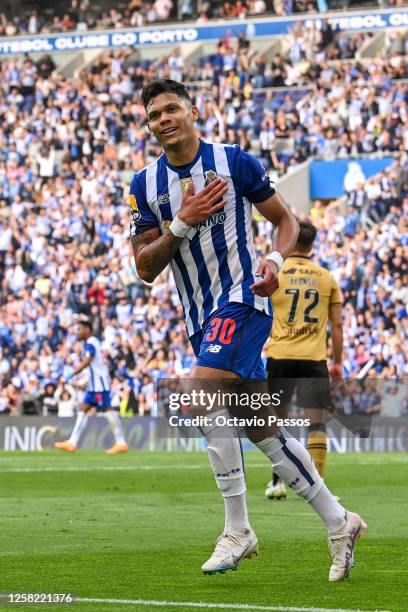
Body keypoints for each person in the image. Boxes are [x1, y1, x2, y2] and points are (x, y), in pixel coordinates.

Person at [130, 78, 366, 581]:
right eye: (154, 115)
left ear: (193, 110)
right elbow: (145, 268)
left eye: (172, 108)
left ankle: (238, 528)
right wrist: (181, 222)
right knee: (261, 427)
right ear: (149, 126)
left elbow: (286, 222)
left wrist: (276, 259)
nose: (164, 119)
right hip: (200, 316)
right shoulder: (144, 186)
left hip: (242, 300)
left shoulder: (235, 161)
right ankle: (340, 520)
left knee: (195, 395)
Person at [264, 221, 343, 500]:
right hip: (313, 358)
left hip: (280, 356)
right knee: (317, 424)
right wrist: (338, 362)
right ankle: (319, 491)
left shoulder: (276, 273)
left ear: (292, 238)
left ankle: (276, 483)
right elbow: (337, 325)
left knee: (275, 424)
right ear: (313, 244)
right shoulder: (326, 277)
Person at [54, 316, 128, 454]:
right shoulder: (92, 342)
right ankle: (72, 442)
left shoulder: (90, 343)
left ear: (87, 330)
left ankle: (121, 442)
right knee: (83, 410)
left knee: (108, 411)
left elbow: (88, 360)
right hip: (94, 386)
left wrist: (71, 374)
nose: (77, 332)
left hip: (99, 385)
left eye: (80, 329)